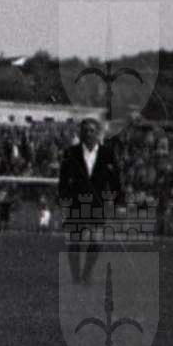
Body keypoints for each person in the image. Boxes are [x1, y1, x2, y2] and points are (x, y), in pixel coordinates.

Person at [58, 117, 124, 284]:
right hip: (76, 202)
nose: (88, 134)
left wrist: (118, 202)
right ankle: (75, 276)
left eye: (92, 131)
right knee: (75, 241)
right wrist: (63, 200)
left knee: (96, 240)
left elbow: (115, 180)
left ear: (97, 133)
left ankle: (87, 274)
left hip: (97, 203)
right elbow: (63, 180)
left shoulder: (107, 154)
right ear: (81, 133)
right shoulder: (71, 153)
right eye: (85, 131)